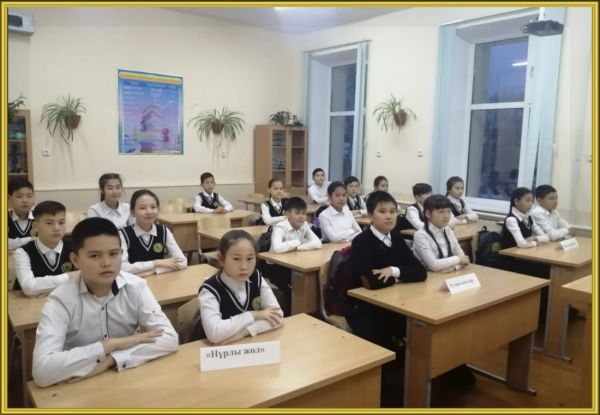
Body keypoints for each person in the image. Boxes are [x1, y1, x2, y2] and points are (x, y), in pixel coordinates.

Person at [32, 217, 178, 387]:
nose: (107, 263)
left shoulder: (136, 286)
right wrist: (110, 345)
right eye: (94, 256)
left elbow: (169, 338)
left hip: (124, 380)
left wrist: (113, 359)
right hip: (75, 386)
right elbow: (42, 371)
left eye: (114, 254)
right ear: (75, 260)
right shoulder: (60, 300)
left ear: (121, 254)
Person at [345, 191, 427, 407]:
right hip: (362, 306)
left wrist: (393, 271)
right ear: (370, 216)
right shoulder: (361, 242)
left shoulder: (397, 239)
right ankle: (381, 394)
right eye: (382, 211)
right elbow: (372, 283)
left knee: (423, 330)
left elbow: (420, 272)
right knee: (382, 342)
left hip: (395, 303)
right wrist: (402, 275)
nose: (389, 216)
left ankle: (413, 380)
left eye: (393, 211)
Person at [199, 230, 284, 345]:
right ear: (221, 259)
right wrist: (255, 315)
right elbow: (215, 334)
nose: (244, 267)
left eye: (249, 259)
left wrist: (245, 332)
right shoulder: (210, 289)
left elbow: (278, 316)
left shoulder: (256, 277)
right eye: (236, 259)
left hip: (247, 345)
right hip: (219, 350)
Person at [267, 197, 322, 315]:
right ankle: (290, 313)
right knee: (294, 288)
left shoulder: (304, 225)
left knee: (313, 281)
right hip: (275, 267)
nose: (301, 216)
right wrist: (298, 242)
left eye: (304, 213)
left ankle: (310, 311)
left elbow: (318, 243)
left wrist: (299, 247)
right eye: (297, 213)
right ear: (287, 214)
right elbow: (277, 248)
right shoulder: (280, 227)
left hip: (295, 264)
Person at [12, 201, 77, 296]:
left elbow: (86, 280)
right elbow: (29, 287)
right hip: (28, 303)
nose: (57, 228)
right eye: (49, 223)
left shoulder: (75, 248)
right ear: (35, 226)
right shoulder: (22, 253)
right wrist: (70, 276)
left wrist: (46, 288)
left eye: (61, 222)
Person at [120, 189, 187, 276]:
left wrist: (155, 271)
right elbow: (122, 268)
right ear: (132, 212)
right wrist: (156, 263)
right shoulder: (123, 234)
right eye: (142, 208)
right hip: (132, 282)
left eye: (153, 207)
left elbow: (183, 262)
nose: (149, 212)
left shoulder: (164, 230)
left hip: (158, 279)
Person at [412, 195, 470, 272]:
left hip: (448, 274)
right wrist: (458, 259)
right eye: (441, 212)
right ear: (428, 214)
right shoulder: (421, 235)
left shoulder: (448, 230)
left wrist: (454, 268)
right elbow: (433, 265)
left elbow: (463, 257)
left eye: (449, 211)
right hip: (428, 277)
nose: (446, 216)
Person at [8, 177, 35, 251]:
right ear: (9, 198)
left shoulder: (39, 217)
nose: (25, 200)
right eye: (19, 196)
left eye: (29, 196)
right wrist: (30, 239)